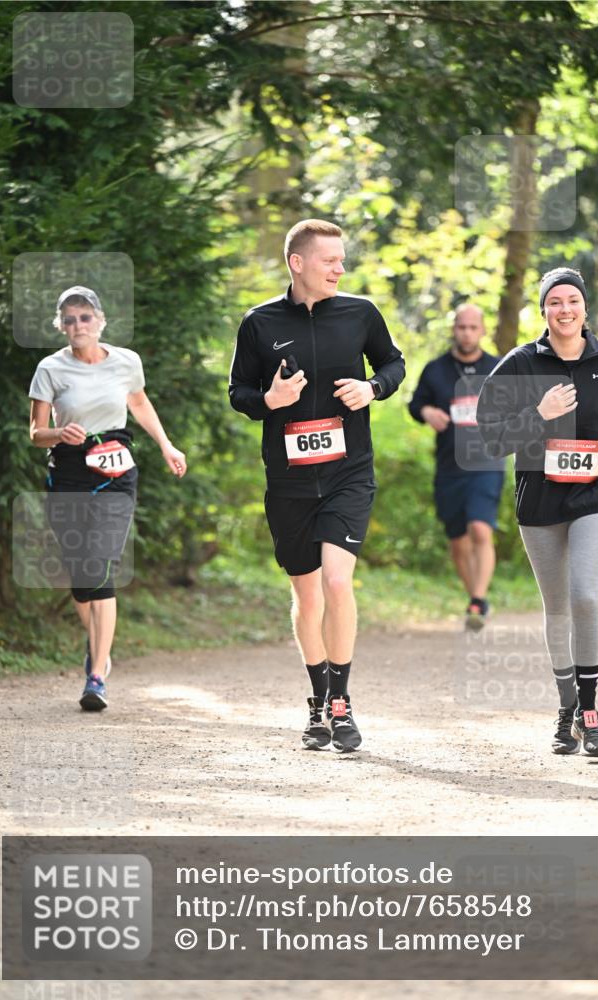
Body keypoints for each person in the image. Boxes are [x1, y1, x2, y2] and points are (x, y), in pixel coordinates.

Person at [229, 219, 405, 753]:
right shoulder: (259, 322)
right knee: (306, 594)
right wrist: (270, 402)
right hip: (288, 481)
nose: (340, 267)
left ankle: (342, 702)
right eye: (330, 259)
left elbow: (394, 364)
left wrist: (372, 388)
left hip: (349, 471)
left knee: (335, 583)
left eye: (342, 259)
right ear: (297, 262)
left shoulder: (360, 313)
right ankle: (317, 700)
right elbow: (239, 392)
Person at [477, 267, 598, 756]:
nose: (565, 309)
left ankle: (590, 713)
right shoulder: (519, 364)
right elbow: (489, 435)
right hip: (541, 496)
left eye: (573, 300)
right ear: (544, 309)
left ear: (585, 308)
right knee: (556, 607)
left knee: (584, 596)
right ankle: (567, 708)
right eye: (555, 302)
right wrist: (539, 414)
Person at [29, 286, 187, 711]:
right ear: (61, 325)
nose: (78, 326)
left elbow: (139, 403)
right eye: (69, 319)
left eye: (85, 317)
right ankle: (98, 645)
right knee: (81, 577)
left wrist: (166, 446)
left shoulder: (126, 362)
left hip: (117, 471)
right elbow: (35, 433)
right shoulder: (50, 369)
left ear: (100, 321)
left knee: (101, 565)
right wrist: (59, 433)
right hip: (69, 472)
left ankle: (96, 674)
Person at [408, 304, 505, 628]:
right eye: (461, 327)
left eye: (472, 327)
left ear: (482, 330)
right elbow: (416, 404)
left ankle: (476, 603)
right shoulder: (436, 370)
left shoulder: (498, 368)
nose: (466, 333)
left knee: (480, 528)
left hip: (486, 462)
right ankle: (476, 597)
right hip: (449, 466)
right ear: (454, 330)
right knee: (458, 541)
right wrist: (427, 413)